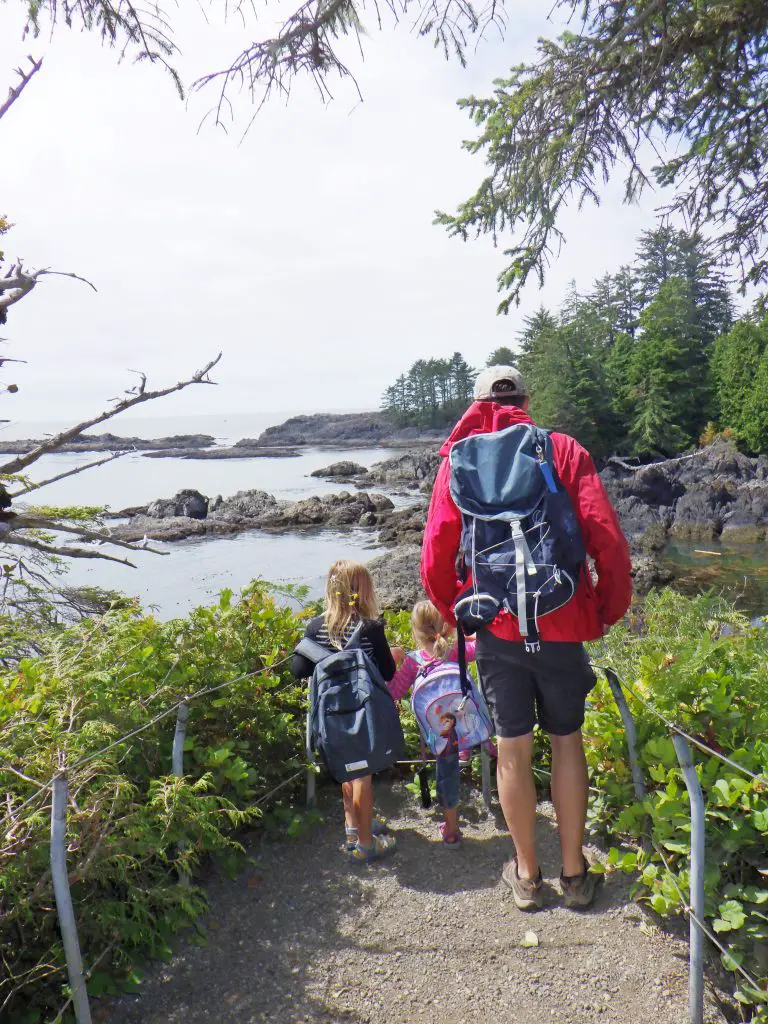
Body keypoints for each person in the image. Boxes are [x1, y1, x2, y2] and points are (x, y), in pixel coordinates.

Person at [421, 366, 632, 909]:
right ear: (526, 399)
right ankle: (575, 874)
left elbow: (435, 558)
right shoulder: (562, 450)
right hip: (561, 621)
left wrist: (463, 614)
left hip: (495, 628)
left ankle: (527, 876)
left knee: (512, 751)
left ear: (478, 402)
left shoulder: (459, 460)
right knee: (568, 742)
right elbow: (605, 538)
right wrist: (603, 611)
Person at [291, 559, 401, 863]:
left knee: (346, 768)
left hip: (331, 713)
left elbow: (298, 669)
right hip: (362, 712)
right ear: (361, 591)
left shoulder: (315, 627)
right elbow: (388, 672)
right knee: (362, 775)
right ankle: (366, 844)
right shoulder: (371, 628)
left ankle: (353, 827)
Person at [388, 600, 478, 848]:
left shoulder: (414, 661)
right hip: (464, 723)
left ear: (416, 631)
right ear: (447, 627)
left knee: (446, 771)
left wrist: (393, 661)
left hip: (438, 731)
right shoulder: (456, 651)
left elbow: (394, 692)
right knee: (466, 724)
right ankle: (472, 747)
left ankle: (451, 829)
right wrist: (468, 636)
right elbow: (481, 647)